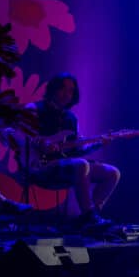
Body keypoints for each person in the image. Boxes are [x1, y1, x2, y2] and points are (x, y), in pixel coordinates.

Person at [27, 73, 120, 228]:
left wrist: (99, 143)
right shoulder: (34, 109)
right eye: (62, 89)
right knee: (82, 165)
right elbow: (18, 136)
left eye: (71, 91)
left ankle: (89, 218)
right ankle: (89, 217)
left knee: (112, 173)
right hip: (40, 166)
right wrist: (41, 143)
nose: (67, 94)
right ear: (53, 89)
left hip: (66, 166)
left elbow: (78, 149)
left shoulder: (71, 118)